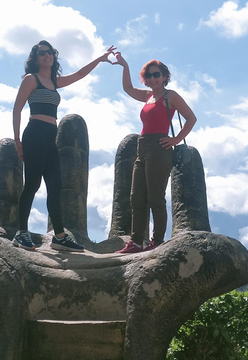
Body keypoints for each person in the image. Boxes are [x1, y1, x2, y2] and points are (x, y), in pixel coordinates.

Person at [12, 40, 115, 252]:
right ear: (36, 58)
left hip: (50, 137)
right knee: (32, 184)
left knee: (55, 186)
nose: (47, 55)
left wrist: (100, 59)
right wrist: (17, 140)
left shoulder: (54, 81)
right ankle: (21, 232)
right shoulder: (31, 79)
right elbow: (16, 109)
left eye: (49, 52)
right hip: (34, 134)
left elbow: (79, 75)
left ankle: (59, 236)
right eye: (42, 53)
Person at [113, 53, 196, 253]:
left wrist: (175, 140)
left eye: (156, 75)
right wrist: (124, 65)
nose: (152, 79)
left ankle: (156, 241)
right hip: (142, 147)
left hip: (160, 148)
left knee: (155, 198)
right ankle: (135, 242)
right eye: (148, 76)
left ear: (165, 76)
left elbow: (191, 118)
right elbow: (127, 88)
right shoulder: (148, 95)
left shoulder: (171, 96)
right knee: (136, 197)